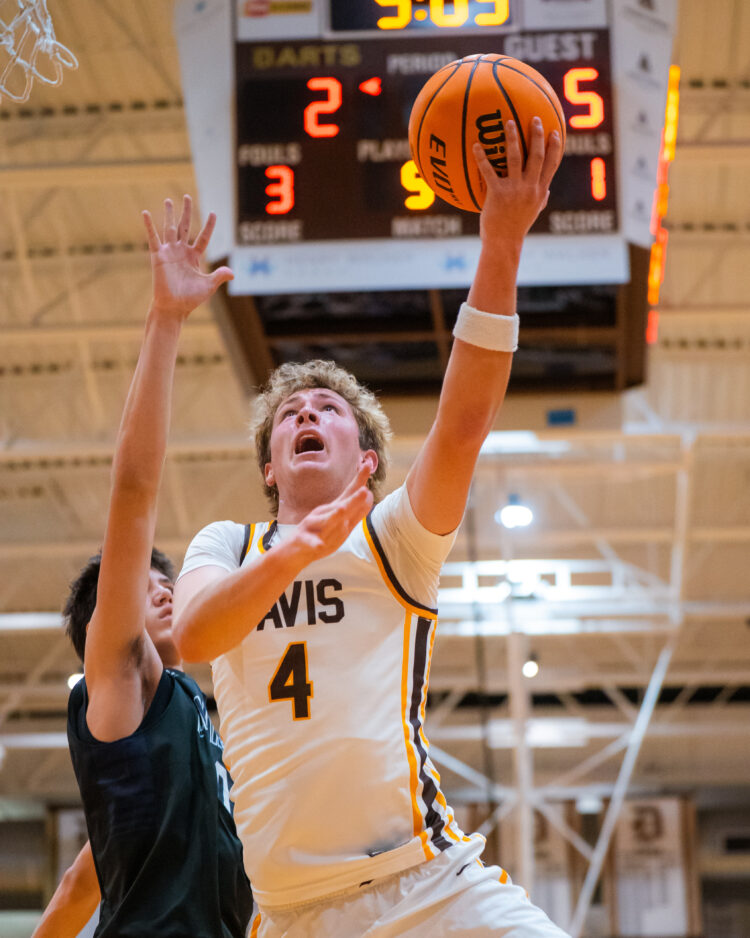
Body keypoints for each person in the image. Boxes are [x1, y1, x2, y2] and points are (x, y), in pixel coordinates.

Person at [173, 120, 569, 936]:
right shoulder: (227, 544)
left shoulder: (394, 539)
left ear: (369, 456)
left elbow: (462, 423)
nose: (307, 413)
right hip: (290, 915)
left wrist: (500, 242)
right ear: (270, 469)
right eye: (290, 414)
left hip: (428, 884)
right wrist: (299, 549)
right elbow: (195, 638)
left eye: (329, 409)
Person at [32, 197, 253, 938]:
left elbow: (74, 891)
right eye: (144, 584)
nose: (163, 588)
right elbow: (133, 494)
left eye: (168, 580)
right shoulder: (119, 681)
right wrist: (166, 321)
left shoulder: (177, 730)